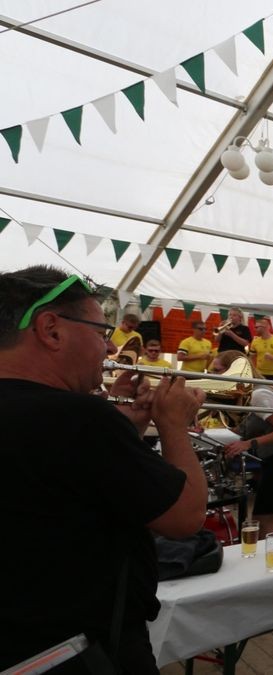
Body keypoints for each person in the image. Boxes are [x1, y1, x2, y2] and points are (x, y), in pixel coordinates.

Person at [1, 266, 206, 673]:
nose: (109, 348)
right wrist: (174, 425)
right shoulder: (80, 418)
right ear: (51, 330)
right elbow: (186, 517)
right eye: (101, 332)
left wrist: (127, 429)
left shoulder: (76, 421)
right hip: (80, 652)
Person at [213, 350, 273, 533]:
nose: (214, 375)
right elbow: (244, 430)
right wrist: (218, 414)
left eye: (218, 370)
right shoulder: (244, 393)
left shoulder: (258, 395)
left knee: (262, 517)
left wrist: (248, 444)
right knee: (264, 515)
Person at [248, 317, 273, 382]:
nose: (255, 329)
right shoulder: (255, 341)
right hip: (260, 374)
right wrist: (253, 370)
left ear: (264, 327)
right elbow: (251, 357)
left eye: (256, 327)